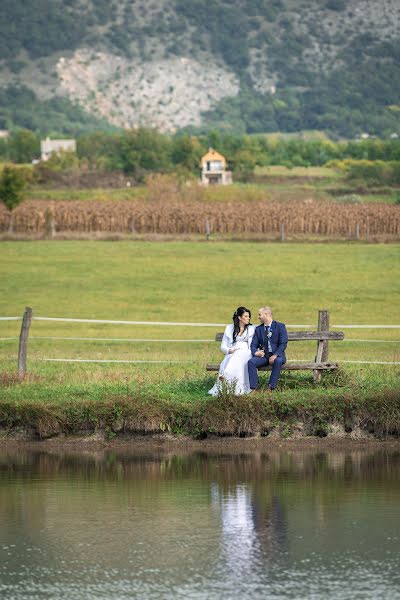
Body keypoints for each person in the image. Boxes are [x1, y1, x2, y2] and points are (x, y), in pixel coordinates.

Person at [208, 307, 255, 396]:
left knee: (238, 354)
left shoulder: (252, 329)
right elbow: (223, 346)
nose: (248, 318)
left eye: (249, 316)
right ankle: (230, 386)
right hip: (233, 352)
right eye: (246, 316)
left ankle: (225, 375)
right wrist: (229, 350)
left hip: (247, 352)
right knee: (232, 357)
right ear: (239, 318)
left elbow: (253, 345)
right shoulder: (230, 328)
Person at [248, 306, 288, 393]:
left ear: (266, 314)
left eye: (260, 315)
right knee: (251, 362)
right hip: (265, 356)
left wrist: (275, 355)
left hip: (278, 355)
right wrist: (256, 352)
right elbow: (253, 345)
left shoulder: (280, 326)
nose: (258, 317)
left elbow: (283, 343)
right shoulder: (259, 329)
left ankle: (271, 388)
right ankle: (254, 388)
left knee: (277, 361)